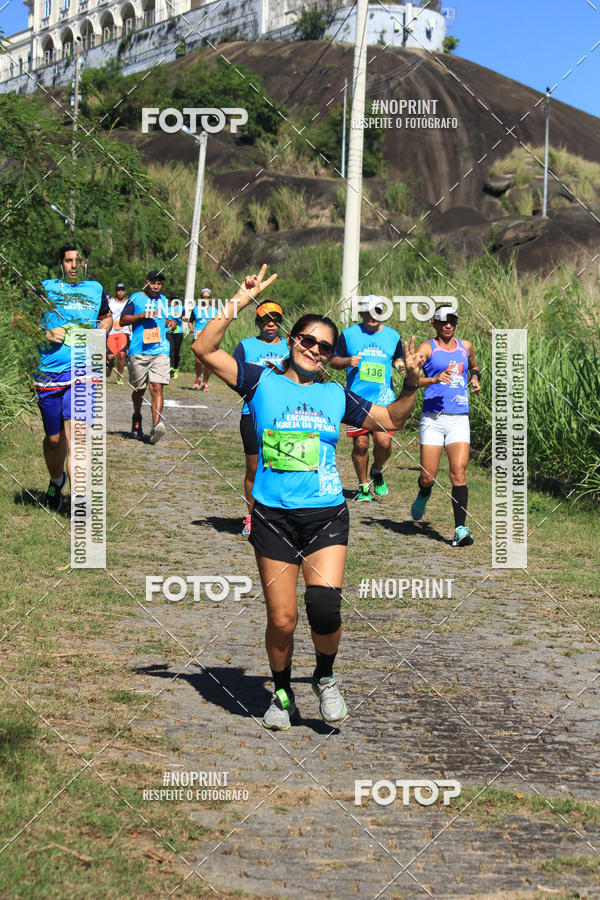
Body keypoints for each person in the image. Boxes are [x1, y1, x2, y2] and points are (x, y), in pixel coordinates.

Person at [193, 265, 423, 731]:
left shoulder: (337, 396)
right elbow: (204, 349)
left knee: (324, 608)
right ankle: (281, 692)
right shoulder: (259, 381)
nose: (315, 349)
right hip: (274, 518)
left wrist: (411, 386)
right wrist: (240, 299)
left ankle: (324, 676)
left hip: (325, 516)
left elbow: (392, 421)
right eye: (307, 340)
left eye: (324, 346)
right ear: (291, 341)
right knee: (282, 619)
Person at [34, 244, 112, 512]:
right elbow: (19, 319)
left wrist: (103, 329)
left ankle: (81, 501)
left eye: (78, 260)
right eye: (69, 261)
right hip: (49, 371)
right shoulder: (45, 288)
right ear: (61, 263)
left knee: (78, 435)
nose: (74, 265)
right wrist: (44, 333)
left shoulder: (95, 289)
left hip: (83, 369)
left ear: (85, 263)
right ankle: (57, 480)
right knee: (54, 440)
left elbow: (106, 317)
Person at [410, 305, 481, 547]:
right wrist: (433, 379)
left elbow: (473, 365)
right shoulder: (427, 348)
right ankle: (424, 492)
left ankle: (460, 529)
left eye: (452, 321)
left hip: (459, 417)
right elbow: (411, 380)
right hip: (433, 418)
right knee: (428, 476)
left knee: (458, 472)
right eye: (443, 321)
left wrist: (474, 378)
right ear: (434, 323)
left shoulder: (465, 346)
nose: (448, 325)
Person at [330, 296, 404, 501]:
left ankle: (377, 470)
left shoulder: (393, 336)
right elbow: (333, 361)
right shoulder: (348, 334)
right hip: (356, 400)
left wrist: (400, 364)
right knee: (361, 445)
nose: (373, 316)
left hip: (383, 400)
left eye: (377, 311)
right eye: (369, 312)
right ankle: (363, 485)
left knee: (384, 443)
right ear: (362, 313)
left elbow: (398, 358)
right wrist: (347, 361)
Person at [232, 300, 289, 537]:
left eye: (275, 319)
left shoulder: (291, 346)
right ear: (258, 322)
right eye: (265, 319)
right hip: (252, 414)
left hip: (285, 418)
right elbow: (233, 375)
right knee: (254, 469)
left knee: (283, 468)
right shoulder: (246, 346)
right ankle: (252, 516)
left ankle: (282, 518)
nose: (271, 324)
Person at [119, 270, 175, 444]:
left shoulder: (163, 300)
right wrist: (141, 316)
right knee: (139, 389)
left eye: (159, 284)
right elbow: (122, 320)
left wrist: (171, 323)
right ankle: (137, 416)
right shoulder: (136, 298)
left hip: (160, 350)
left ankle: (155, 427)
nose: (156, 287)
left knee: (157, 387)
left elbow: (166, 319)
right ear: (146, 283)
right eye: (153, 283)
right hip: (139, 351)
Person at [189, 288, 215, 390]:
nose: (206, 299)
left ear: (210, 298)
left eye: (208, 297)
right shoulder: (195, 309)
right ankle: (198, 378)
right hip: (197, 337)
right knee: (198, 361)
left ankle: (205, 382)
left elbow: (218, 324)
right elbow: (190, 321)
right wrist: (191, 328)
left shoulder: (215, 311)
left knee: (208, 362)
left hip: (210, 338)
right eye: (204, 297)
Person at [106, 282, 131, 385]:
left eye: (122, 290)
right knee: (110, 357)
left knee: (122, 354)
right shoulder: (110, 302)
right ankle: (110, 366)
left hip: (124, 332)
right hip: (112, 333)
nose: (120, 292)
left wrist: (131, 332)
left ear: (125, 291)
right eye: (118, 290)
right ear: (116, 291)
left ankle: (119, 377)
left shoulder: (129, 304)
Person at [166, 292, 185, 379]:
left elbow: (186, 318)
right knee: (171, 350)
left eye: (175, 300)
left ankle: (176, 369)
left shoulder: (181, 308)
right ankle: (171, 368)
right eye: (172, 300)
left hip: (178, 331)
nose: (174, 301)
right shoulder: (167, 309)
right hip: (169, 331)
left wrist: (180, 316)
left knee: (177, 351)